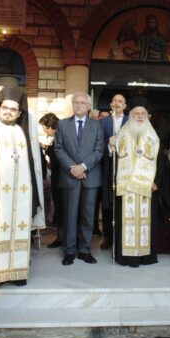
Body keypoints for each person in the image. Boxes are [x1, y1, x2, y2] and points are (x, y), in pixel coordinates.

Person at [0, 86, 42, 288]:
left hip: (20, 197)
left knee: (19, 230)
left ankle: (16, 272)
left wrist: (34, 196)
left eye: (13, 109)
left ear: (19, 113)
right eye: (5, 108)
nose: (9, 112)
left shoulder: (21, 131)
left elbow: (30, 164)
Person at [108, 95, 160, 267]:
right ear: (130, 115)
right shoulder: (122, 133)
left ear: (147, 115)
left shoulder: (153, 135)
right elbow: (114, 159)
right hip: (126, 186)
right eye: (136, 113)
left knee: (146, 223)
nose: (139, 116)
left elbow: (159, 160)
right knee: (126, 222)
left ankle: (146, 256)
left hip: (147, 186)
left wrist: (155, 180)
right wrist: (111, 145)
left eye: (142, 113)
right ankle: (126, 257)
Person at [54, 92, 104, 266]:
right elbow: (58, 148)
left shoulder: (97, 125)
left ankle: (84, 250)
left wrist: (83, 166)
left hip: (90, 176)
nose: (79, 105)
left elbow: (99, 149)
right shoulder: (62, 124)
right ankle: (69, 251)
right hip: (69, 177)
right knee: (70, 215)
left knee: (88, 216)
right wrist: (72, 168)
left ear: (88, 106)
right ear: (72, 105)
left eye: (83, 103)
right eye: (76, 102)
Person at [100, 93, 128, 250]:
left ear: (125, 106)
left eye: (120, 101)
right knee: (107, 204)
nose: (117, 103)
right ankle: (108, 237)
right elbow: (98, 142)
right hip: (107, 167)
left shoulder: (130, 122)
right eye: (115, 101)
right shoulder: (102, 122)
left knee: (122, 203)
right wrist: (109, 145)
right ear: (111, 104)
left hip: (125, 168)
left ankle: (121, 237)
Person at [39, 112, 63, 248]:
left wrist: (45, 148)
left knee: (60, 209)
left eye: (44, 127)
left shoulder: (60, 136)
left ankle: (61, 238)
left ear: (49, 126)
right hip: (59, 177)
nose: (44, 130)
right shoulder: (59, 135)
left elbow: (57, 154)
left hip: (60, 178)